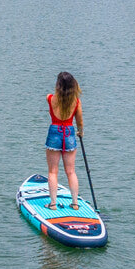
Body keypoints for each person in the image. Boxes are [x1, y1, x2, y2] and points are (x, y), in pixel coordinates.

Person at [45, 72, 85, 211]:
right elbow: (79, 121)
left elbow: (53, 98)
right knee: (71, 172)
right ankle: (75, 203)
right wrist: (80, 131)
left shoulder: (50, 98)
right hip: (69, 133)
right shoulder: (76, 102)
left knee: (53, 172)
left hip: (54, 132)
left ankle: (53, 204)